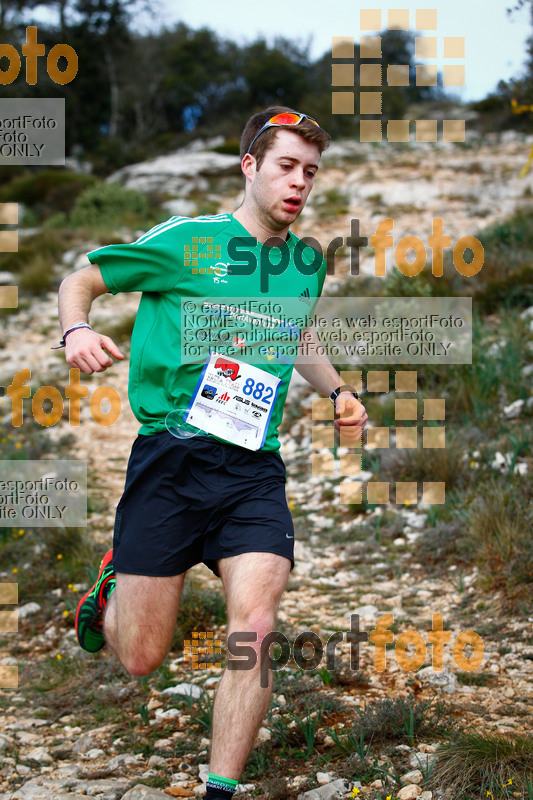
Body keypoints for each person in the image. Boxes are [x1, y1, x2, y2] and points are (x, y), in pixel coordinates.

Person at [57, 106, 368, 800]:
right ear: (249, 167)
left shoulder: (303, 261)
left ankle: (219, 790)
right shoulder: (190, 242)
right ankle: (112, 583)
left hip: (251, 466)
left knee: (255, 622)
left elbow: (299, 337)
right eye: (285, 166)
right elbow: (83, 278)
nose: (299, 184)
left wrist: (339, 390)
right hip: (171, 459)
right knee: (139, 658)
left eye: (310, 173)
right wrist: (76, 328)